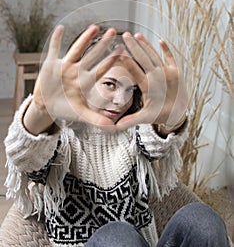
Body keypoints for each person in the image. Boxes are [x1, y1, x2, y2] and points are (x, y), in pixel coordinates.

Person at [4, 24, 230, 247]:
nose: (121, 100)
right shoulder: (58, 138)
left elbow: (157, 141)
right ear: (82, 83)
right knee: (118, 237)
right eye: (110, 85)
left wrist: (172, 119)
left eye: (130, 89)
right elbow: (25, 156)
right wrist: (41, 111)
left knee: (202, 221)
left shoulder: (131, 130)